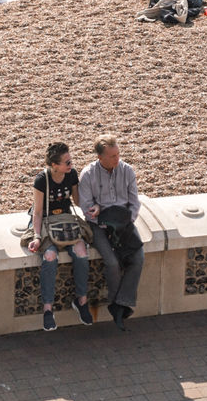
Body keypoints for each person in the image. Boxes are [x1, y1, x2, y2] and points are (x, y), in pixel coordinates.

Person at [79, 135, 144, 331]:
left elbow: (134, 203)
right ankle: (115, 304)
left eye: (118, 154)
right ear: (100, 157)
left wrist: (126, 222)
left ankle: (121, 303)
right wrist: (100, 216)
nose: (117, 159)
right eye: (112, 156)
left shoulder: (127, 170)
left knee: (138, 257)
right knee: (113, 262)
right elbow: (86, 208)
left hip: (124, 223)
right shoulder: (88, 174)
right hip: (98, 226)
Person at [27, 143, 93, 332]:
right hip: (46, 222)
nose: (71, 165)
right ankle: (48, 309)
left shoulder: (71, 175)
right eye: (67, 162)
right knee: (49, 256)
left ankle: (81, 300)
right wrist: (37, 236)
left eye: (70, 161)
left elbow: (78, 201)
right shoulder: (42, 180)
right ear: (54, 165)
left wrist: (94, 207)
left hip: (66, 222)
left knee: (81, 252)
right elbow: (37, 213)